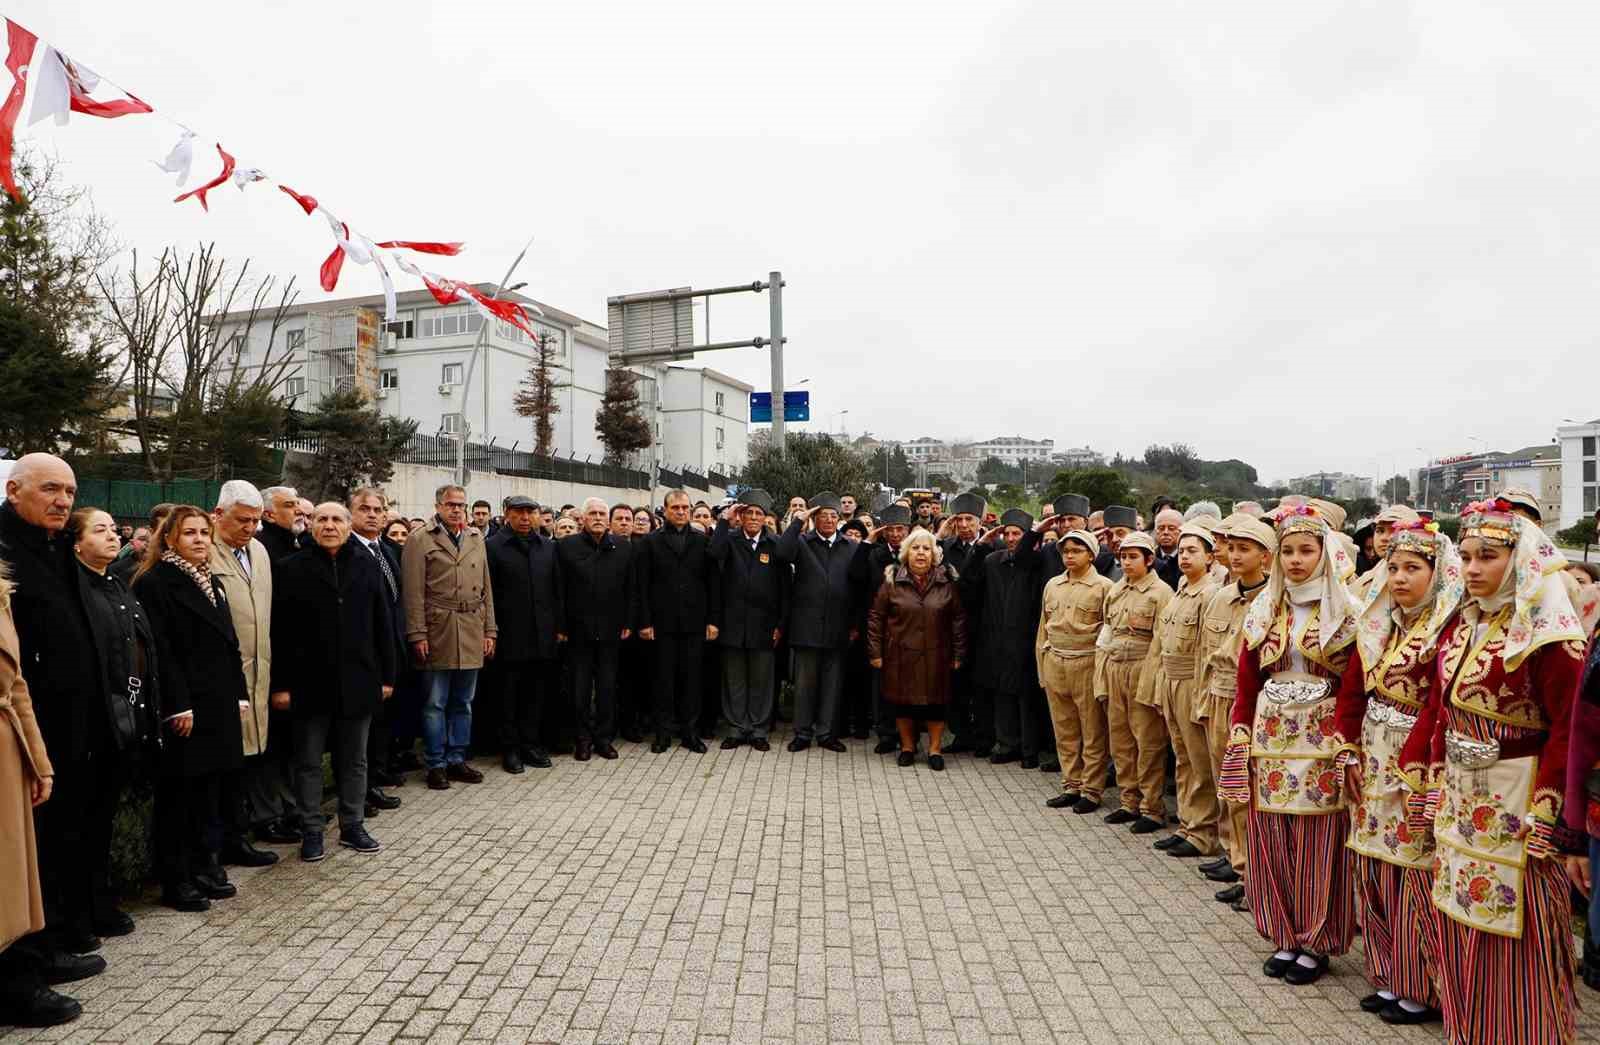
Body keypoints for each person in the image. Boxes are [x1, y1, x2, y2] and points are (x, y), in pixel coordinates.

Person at [1396, 499, 1585, 1043]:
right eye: (1469, 556)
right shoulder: (1462, 622)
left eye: (1490, 557)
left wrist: (1549, 806)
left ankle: (1526, 1029)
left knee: (1515, 922)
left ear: (1521, 560)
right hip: (1461, 796)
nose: (1474, 568)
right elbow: (1439, 706)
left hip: (1518, 801)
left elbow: (1568, 729)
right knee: (1460, 910)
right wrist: (1428, 775)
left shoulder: (1550, 638)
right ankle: (1470, 1026)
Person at [1218, 504, 1359, 987]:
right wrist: (1240, 728)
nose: (1296, 560)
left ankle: (1317, 940)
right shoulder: (1266, 609)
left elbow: (1357, 686)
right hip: (1271, 738)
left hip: (1321, 739)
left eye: (1307, 550)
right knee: (1272, 837)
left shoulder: (1347, 612)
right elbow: (1246, 680)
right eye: (1288, 552)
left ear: (1326, 553)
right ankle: (1284, 932)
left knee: (1318, 842)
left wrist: (1346, 740)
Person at [1328, 519, 1461, 1024]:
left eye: (1413, 568)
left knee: (1413, 874)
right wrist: (1345, 747)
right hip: (1372, 755)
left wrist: (1421, 771)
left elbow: (1440, 705)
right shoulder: (1378, 623)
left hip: (1415, 763)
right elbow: (1353, 691)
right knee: (1375, 868)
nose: (1400, 578)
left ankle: (1420, 983)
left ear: (1437, 572)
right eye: (1393, 567)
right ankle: (1386, 972)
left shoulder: (1448, 630)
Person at [0, 455, 118, 987]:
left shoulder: (54, 548)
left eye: (70, 492)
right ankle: (28, 963)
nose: (63, 502)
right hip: (26, 727)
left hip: (74, 721)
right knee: (27, 852)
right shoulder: (5, 550)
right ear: (13, 489)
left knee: (65, 836)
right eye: (50, 489)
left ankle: (57, 936)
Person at [133, 507, 247, 913]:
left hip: (217, 701)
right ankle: (176, 877)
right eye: (189, 533)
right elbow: (161, 649)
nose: (199, 540)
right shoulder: (156, 582)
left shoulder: (210, 581)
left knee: (210, 792)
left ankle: (205, 864)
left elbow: (229, 642)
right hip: (186, 705)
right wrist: (178, 704)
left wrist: (239, 692)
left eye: (204, 532)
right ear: (169, 539)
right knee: (179, 795)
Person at [270, 503, 395, 861]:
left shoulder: (367, 564)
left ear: (347, 524)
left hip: (359, 681)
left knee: (354, 760)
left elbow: (382, 623)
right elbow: (279, 632)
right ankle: (312, 830)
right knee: (308, 761)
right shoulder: (290, 569)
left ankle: (352, 825)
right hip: (308, 685)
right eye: (321, 519)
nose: (328, 525)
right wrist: (281, 685)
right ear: (310, 525)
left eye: (336, 519)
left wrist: (387, 676)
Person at [69, 510, 160, 925]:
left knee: (104, 815)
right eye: (99, 530)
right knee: (82, 821)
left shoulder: (117, 583)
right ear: (75, 543)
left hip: (128, 716)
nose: (112, 536)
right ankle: (79, 910)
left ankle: (100, 899)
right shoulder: (75, 588)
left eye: (112, 529)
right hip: (94, 719)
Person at [0, 556, 80, 1027]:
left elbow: (18, 687)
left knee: (10, 876)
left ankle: (15, 982)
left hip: (8, 754)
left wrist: (40, 763)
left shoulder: (2, 591)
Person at [204, 481, 286, 866]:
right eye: (242, 520)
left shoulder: (260, 552)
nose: (250, 528)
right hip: (222, 677)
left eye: (256, 521)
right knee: (223, 763)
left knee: (251, 758)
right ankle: (217, 845)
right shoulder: (204, 551)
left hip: (260, 671)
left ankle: (242, 835)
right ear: (218, 514)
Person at [1196, 515, 1274, 908]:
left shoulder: (1273, 602)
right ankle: (1234, 856)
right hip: (1217, 694)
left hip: (1252, 704)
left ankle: (1252, 873)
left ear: (1266, 555)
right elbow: (1202, 655)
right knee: (1224, 784)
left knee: (1247, 790)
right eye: (1232, 547)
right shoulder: (1221, 596)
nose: (1236, 555)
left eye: (1246, 548)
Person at [401, 484, 497, 790]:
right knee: (435, 702)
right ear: (438, 505)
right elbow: (413, 592)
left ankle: (457, 758)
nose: (457, 509)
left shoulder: (474, 537)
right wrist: (417, 633)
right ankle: (435, 763)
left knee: (463, 702)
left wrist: (490, 630)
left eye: (461, 505)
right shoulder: (419, 539)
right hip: (438, 627)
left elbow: (486, 589)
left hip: (471, 625)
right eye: (451, 504)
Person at [1141, 522, 1222, 857]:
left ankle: (1203, 833)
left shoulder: (1211, 593)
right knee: (1183, 759)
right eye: (1183, 550)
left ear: (1209, 556)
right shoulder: (1181, 588)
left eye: (1193, 551)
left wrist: (1202, 695)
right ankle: (1188, 825)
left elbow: (1206, 651)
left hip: (1192, 682)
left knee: (1200, 762)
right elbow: (1162, 644)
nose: (1185, 557)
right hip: (1171, 680)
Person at [868, 530, 967, 770]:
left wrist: (958, 654)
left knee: (936, 704)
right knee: (903, 704)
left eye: (925, 549)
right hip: (900, 655)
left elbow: (958, 619)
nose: (920, 553)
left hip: (937, 655)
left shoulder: (947, 581)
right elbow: (875, 617)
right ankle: (907, 747)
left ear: (934, 554)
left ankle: (934, 749)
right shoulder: (892, 581)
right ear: (906, 553)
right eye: (915, 548)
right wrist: (875, 653)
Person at [1095, 531, 1173, 833]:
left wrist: (1153, 685)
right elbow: (1107, 634)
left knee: (1148, 742)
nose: (1126, 562)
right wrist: (1101, 677)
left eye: (1133, 557)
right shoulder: (1116, 591)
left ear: (1149, 559)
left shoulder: (1160, 593)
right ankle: (1128, 801)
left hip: (1144, 668)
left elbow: (1160, 642)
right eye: (1123, 557)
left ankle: (1151, 808)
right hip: (1116, 667)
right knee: (1121, 740)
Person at [634, 490, 719, 753]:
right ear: (665, 510)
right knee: (663, 681)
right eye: (676, 508)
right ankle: (662, 734)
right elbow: (642, 585)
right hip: (662, 624)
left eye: (685, 508)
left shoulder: (702, 541)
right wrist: (645, 622)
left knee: (691, 681)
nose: (681, 512)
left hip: (694, 624)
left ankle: (690, 733)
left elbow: (713, 584)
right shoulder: (650, 542)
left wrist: (712, 621)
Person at [484, 495, 564, 772]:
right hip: (509, 635)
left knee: (535, 694)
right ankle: (510, 749)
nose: (525, 517)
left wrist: (558, 627)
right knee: (508, 696)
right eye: (519, 512)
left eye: (530, 512)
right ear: (507, 514)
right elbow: (488, 593)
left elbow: (557, 590)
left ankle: (531, 744)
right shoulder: (493, 547)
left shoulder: (547, 547)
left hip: (542, 634)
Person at [775, 492, 860, 753]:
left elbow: (858, 588)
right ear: (815, 518)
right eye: (823, 516)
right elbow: (781, 553)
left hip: (838, 627)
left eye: (833, 516)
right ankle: (802, 733)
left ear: (839, 520)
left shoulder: (851, 546)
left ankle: (826, 733)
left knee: (832, 686)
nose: (829, 520)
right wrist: (798, 522)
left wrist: (854, 624)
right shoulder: (802, 542)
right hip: (807, 627)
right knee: (804, 685)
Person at [962, 509, 1047, 765]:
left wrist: (1035, 534)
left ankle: (1029, 749)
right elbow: (968, 583)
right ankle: (1006, 743)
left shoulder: (1036, 561)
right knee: (1002, 694)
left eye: (1017, 534)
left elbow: (1023, 557)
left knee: (1026, 696)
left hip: (1026, 637)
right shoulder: (992, 561)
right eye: (1007, 533)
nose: (1011, 538)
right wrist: (980, 547)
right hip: (996, 638)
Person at [1036, 529, 1111, 811]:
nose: (1069, 555)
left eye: (1076, 551)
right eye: (1065, 551)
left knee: (1092, 730)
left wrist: (1101, 674)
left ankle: (1091, 790)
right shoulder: (1053, 585)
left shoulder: (1104, 587)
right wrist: (1042, 668)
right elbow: (1042, 629)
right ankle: (1071, 784)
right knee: (1064, 729)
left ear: (1091, 555)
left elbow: (1107, 633)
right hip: (1056, 660)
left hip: (1087, 660)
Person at [556, 498, 634, 761]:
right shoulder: (566, 547)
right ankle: (583, 739)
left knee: (607, 688)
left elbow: (630, 589)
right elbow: (559, 590)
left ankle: (604, 738)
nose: (598, 517)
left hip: (612, 631)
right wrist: (561, 625)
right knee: (579, 689)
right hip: (578, 631)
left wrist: (627, 622)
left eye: (602, 513)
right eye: (593, 513)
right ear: (583, 519)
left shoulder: (623, 547)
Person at [709, 491, 787, 750]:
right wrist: (724, 521)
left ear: (765, 518)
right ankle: (736, 728)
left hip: (764, 625)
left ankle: (758, 730)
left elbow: (785, 588)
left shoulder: (774, 545)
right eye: (749, 513)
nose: (754, 517)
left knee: (761, 680)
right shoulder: (729, 540)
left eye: (759, 513)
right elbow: (713, 554)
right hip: (732, 623)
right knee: (734, 679)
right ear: (741, 516)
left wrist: (780, 624)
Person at [348, 488, 406, 810]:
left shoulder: (385, 550)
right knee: (362, 732)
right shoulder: (350, 551)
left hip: (390, 648)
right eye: (365, 509)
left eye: (378, 509)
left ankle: (374, 782)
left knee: (382, 723)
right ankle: (359, 792)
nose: (372, 514)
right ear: (352, 513)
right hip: (364, 653)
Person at [852, 503, 913, 753]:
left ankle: (907, 735)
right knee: (882, 685)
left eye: (900, 529)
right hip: (881, 630)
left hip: (910, 630)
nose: (896, 534)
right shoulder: (874, 554)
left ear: (907, 531)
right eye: (891, 530)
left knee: (908, 685)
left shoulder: (916, 553)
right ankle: (886, 734)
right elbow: (855, 575)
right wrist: (868, 540)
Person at [940, 493, 992, 755]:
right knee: (956, 684)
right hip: (953, 625)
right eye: (958, 519)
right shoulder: (947, 548)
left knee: (981, 684)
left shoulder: (994, 547)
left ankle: (984, 738)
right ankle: (961, 735)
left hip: (983, 623)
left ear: (979, 521)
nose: (963, 525)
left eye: (968, 519)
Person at [257, 487, 305, 562]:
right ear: (268, 515)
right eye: (289, 505)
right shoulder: (259, 548)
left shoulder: (301, 542)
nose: (300, 511)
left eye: (298, 504)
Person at [1095, 505, 1136, 579]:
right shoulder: (1100, 563)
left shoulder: (1154, 566)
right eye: (1110, 535)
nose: (1114, 539)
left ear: (1135, 534)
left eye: (1120, 533)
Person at [1150, 508, 1184, 589]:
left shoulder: (1186, 558)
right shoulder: (1149, 558)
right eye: (1161, 528)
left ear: (1181, 531)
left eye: (1171, 528)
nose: (1165, 532)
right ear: (1155, 531)